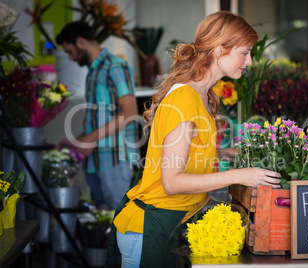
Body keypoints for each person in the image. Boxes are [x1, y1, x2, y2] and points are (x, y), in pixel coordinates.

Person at [112, 11, 281, 268]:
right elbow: (172, 181)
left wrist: (226, 154)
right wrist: (241, 175)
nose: (250, 61)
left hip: (171, 222)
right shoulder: (185, 99)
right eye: (245, 52)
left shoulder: (202, 95)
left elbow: (187, 152)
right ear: (218, 50)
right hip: (152, 226)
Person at [56, 21, 138, 210]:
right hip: (94, 161)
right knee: (101, 222)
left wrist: (90, 138)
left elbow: (130, 112)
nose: (69, 58)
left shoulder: (115, 66)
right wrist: (78, 141)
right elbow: (101, 117)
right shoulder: (93, 72)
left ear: (81, 42)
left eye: (70, 51)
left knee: (118, 224)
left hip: (115, 159)